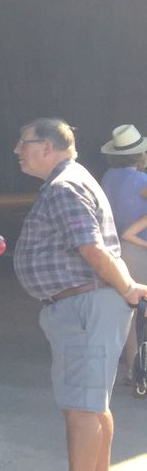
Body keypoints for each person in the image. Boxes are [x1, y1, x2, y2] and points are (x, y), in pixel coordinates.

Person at [12, 118, 147, 471]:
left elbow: (89, 245)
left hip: (84, 305)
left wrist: (126, 286)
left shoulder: (65, 186)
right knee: (92, 403)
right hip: (85, 304)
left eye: (24, 143)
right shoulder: (72, 180)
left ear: (48, 147)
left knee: (82, 407)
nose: (18, 150)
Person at [99, 124, 147, 378]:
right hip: (142, 247)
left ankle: (132, 369)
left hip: (119, 248)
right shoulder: (141, 180)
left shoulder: (108, 177)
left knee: (129, 310)